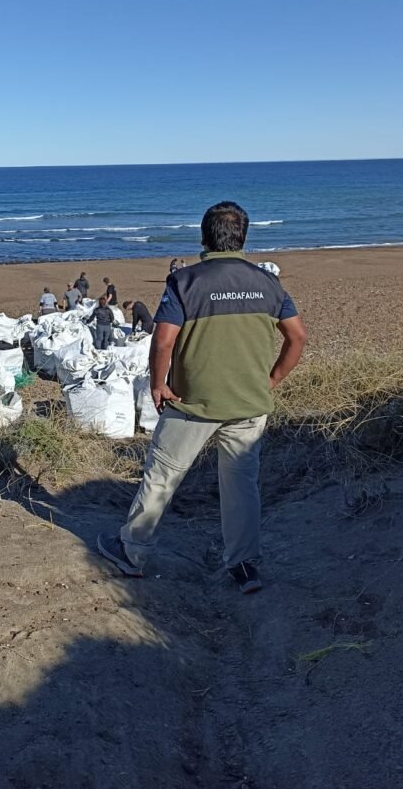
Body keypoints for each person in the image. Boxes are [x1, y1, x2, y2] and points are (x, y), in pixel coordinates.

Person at [98, 201, 307, 593]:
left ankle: (133, 552)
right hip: (248, 404)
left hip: (193, 404)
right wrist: (272, 380)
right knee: (241, 485)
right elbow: (298, 336)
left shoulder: (185, 282)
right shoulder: (269, 284)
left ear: (204, 237)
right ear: (242, 237)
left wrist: (158, 384)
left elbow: (162, 340)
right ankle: (244, 567)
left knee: (161, 478)